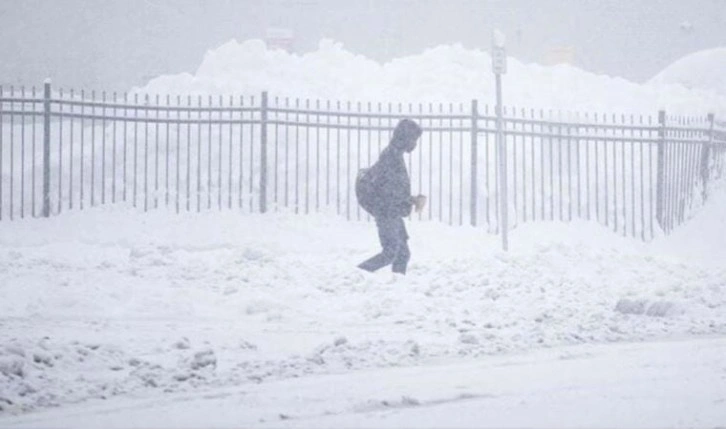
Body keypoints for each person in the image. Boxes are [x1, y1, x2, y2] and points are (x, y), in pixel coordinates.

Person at [357, 118, 426, 275]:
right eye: (414, 140)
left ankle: (397, 287)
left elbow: (395, 190)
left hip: (391, 211)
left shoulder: (395, 155)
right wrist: (412, 200)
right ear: (406, 138)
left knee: (402, 254)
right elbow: (390, 193)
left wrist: (411, 199)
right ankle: (356, 275)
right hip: (386, 211)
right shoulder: (391, 158)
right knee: (390, 253)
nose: (414, 144)